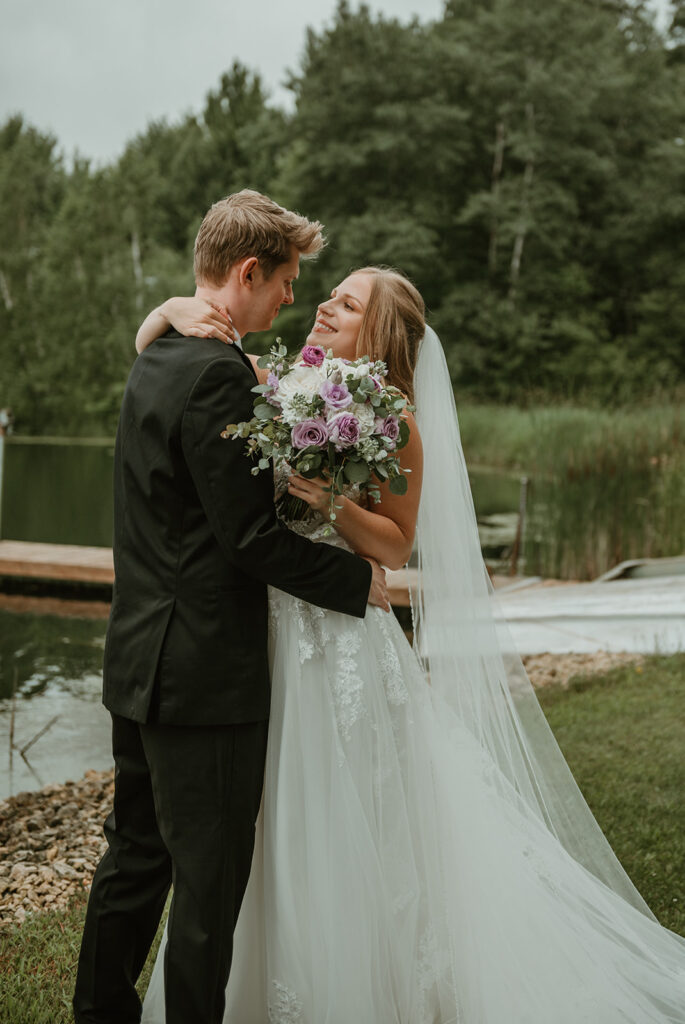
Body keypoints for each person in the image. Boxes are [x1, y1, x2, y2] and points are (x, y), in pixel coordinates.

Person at [136, 268, 685, 1022]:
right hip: (262, 632)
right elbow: (176, 352)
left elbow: (395, 547)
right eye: (325, 294)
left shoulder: (391, 417)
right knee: (255, 818)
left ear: (379, 331)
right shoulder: (285, 382)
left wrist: (328, 497)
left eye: (346, 303)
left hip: (340, 643)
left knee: (342, 812)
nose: (324, 306)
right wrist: (170, 306)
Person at [72, 192, 391, 1024]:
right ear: (248, 272)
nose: (293, 298)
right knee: (208, 893)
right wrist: (355, 585)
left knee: (135, 858)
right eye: (286, 281)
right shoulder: (217, 375)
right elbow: (249, 539)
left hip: (140, 657)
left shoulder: (161, 351)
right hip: (203, 676)